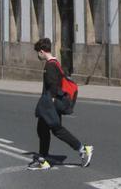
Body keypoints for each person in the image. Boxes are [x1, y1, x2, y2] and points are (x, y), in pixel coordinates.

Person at [29, 37, 93, 170]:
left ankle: (82, 149)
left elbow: (53, 85)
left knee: (55, 129)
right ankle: (43, 159)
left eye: (37, 53)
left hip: (49, 103)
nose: (38, 55)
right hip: (50, 103)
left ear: (41, 52)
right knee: (45, 129)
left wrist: (51, 99)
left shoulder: (50, 65)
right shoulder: (55, 62)